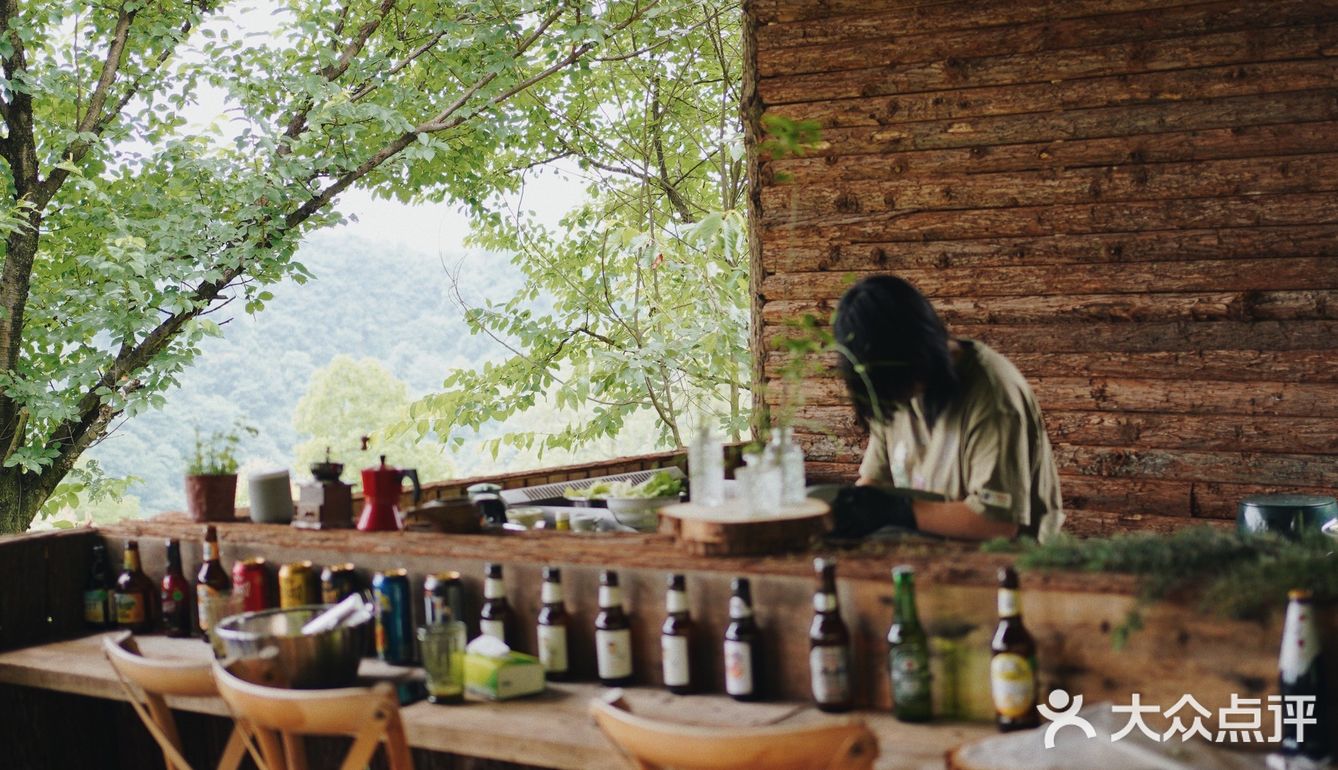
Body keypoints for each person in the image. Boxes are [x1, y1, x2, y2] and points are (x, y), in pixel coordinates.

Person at [830, 274, 1063, 542]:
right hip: (928, 555)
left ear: (913, 352)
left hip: (1007, 565)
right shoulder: (890, 390)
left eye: (889, 384)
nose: (890, 399)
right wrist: (856, 511)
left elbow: (997, 523)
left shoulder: (993, 396)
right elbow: (876, 482)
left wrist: (900, 512)